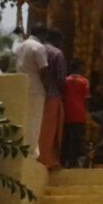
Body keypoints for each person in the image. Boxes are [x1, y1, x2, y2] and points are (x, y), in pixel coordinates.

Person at [12, 26, 49, 161]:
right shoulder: (38, 47)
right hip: (35, 88)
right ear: (41, 34)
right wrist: (48, 88)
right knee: (35, 120)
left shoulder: (21, 47)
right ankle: (31, 152)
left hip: (22, 87)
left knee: (25, 119)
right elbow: (44, 70)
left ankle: (23, 149)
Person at [39, 29, 68, 170]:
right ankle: (49, 159)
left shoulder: (37, 50)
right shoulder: (57, 53)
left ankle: (39, 157)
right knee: (52, 129)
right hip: (52, 94)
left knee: (38, 127)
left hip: (37, 95)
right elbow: (61, 79)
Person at [62, 58, 90, 168]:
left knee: (67, 137)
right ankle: (75, 161)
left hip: (67, 113)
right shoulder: (84, 81)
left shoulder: (65, 81)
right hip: (79, 114)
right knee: (78, 138)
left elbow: (63, 97)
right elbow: (86, 99)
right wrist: (87, 113)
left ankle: (66, 160)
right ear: (80, 68)